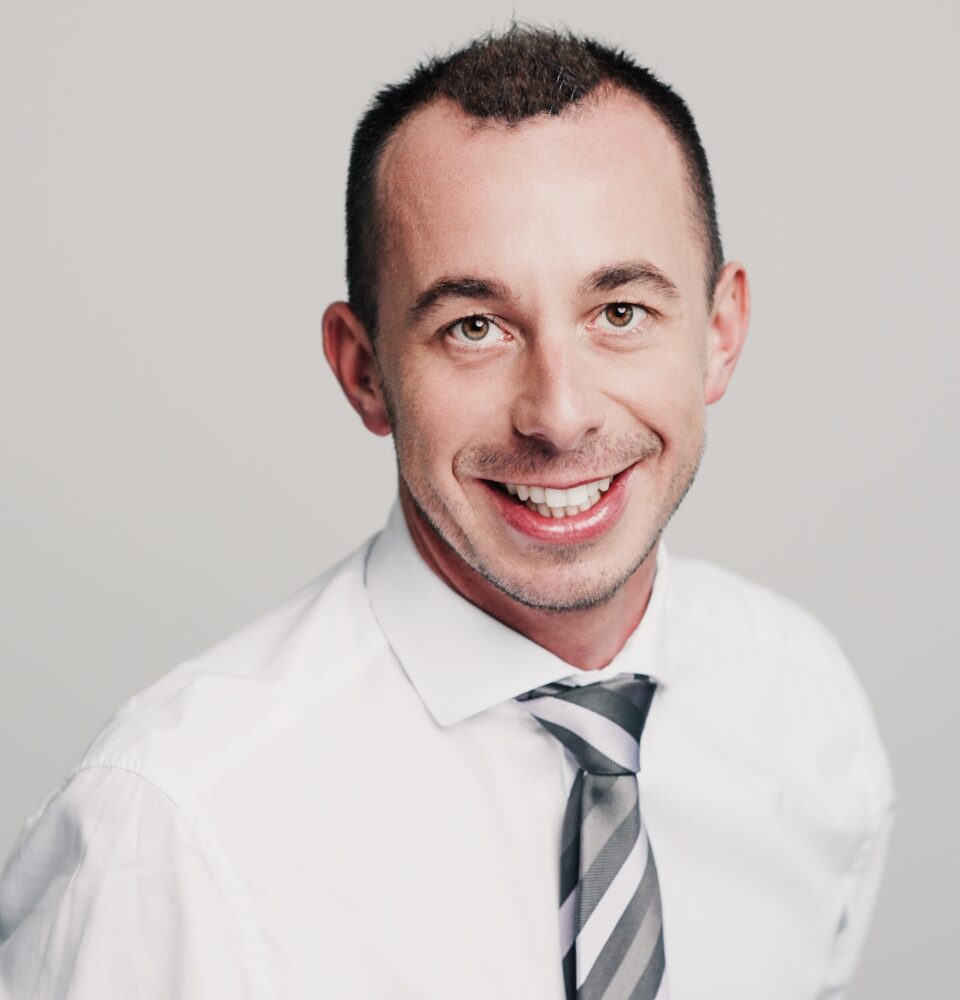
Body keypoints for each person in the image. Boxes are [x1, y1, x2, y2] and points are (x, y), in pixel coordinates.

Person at [0, 26, 894, 1000]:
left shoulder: (806, 715)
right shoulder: (172, 839)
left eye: (620, 312)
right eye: (475, 327)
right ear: (364, 370)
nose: (559, 414)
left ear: (719, 334)